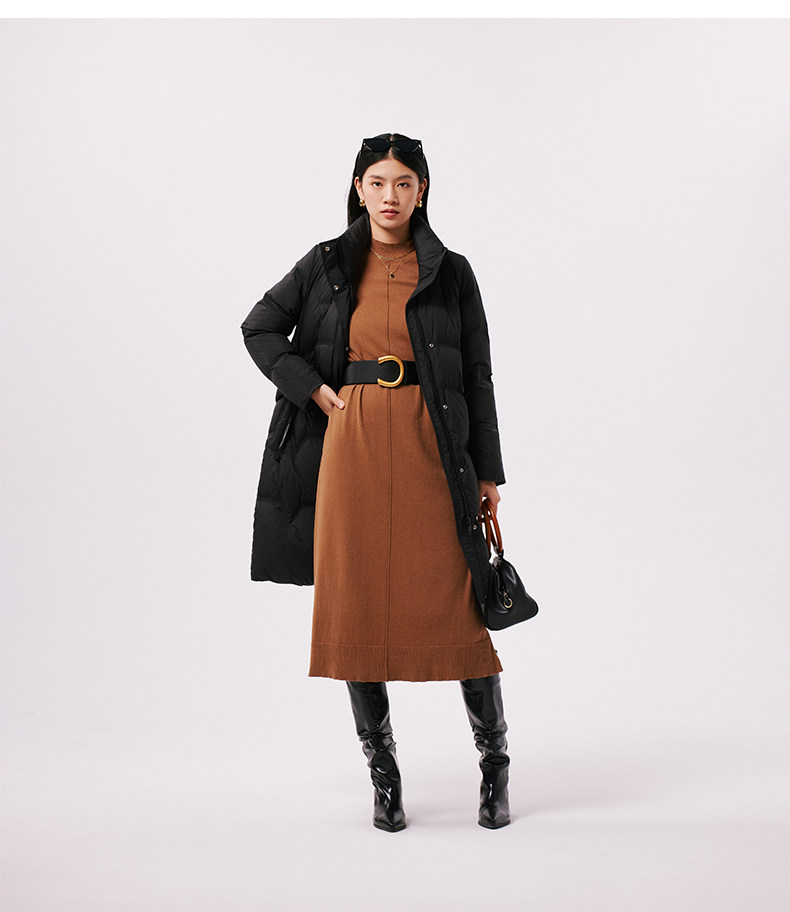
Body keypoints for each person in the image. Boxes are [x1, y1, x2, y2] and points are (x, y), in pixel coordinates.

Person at [241, 133, 512, 832]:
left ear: (422, 191)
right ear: (358, 189)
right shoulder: (327, 263)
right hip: (353, 444)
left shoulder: (452, 272)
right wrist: (315, 389)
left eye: (404, 183)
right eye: (378, 182)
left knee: (459, 606)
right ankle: (384, 781)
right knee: (357, 605)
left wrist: (487, 470)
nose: (390, 196)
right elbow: (260, 328)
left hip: (432, 442)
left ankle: (495, 768)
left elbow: (477, 374)